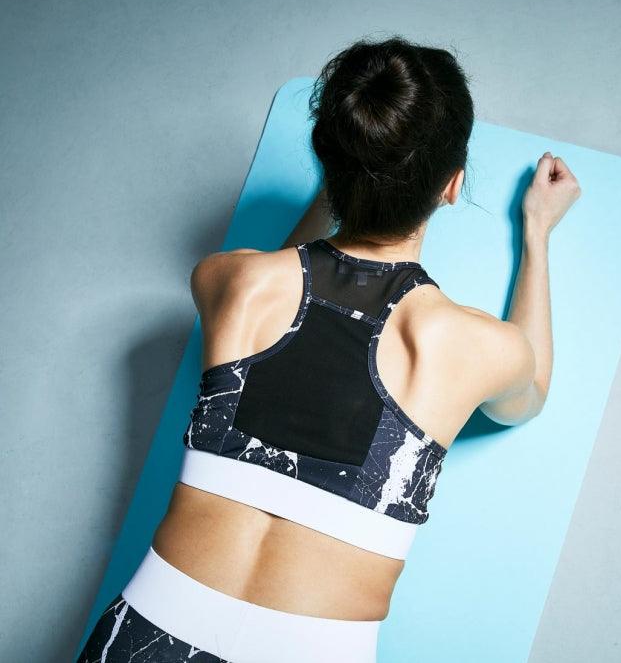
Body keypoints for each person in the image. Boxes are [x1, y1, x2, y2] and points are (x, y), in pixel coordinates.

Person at [77, 35, 581, 662]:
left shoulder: (229, 282)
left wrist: (345, 179)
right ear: (452, 185)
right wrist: (538, 232)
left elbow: (286, 273)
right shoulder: (473, 346)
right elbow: (528, 399)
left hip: (147, 629)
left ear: (329, 162)